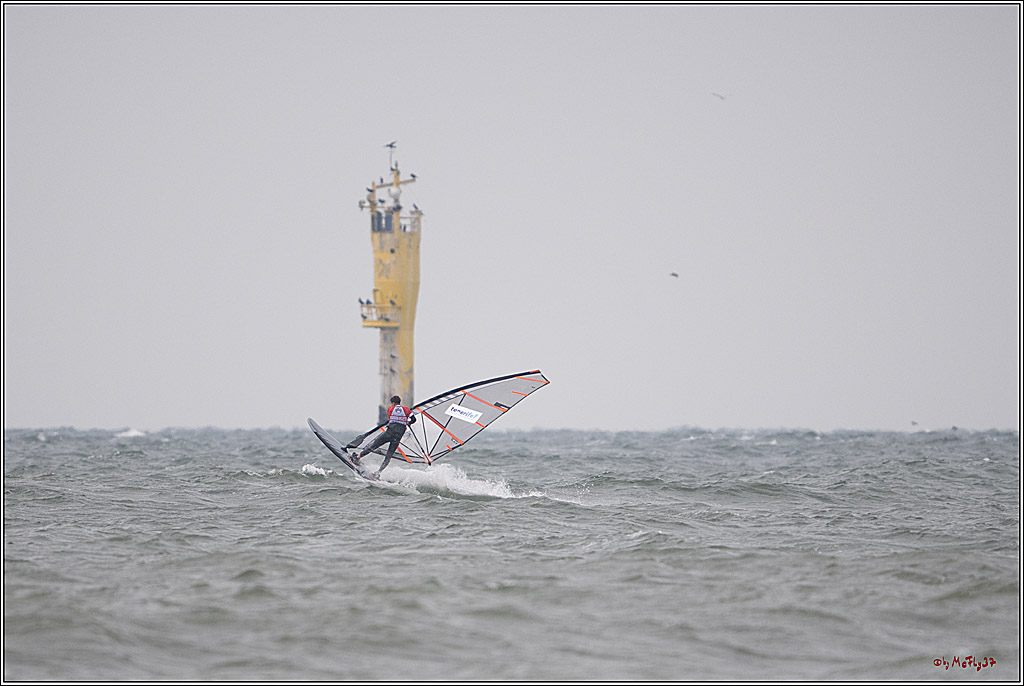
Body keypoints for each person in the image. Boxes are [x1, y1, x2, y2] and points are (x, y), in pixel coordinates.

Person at [353, 395, 416, 477]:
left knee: (374, 445)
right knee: (388, 456)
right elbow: (414, 419)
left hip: (389, 433)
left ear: (393, 403)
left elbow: (392, 420)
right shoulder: (407, 410)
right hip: (397, 437)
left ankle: (358, 457)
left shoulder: (390, 409)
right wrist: (408, 422)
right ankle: (378, 472)